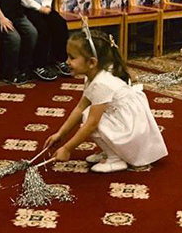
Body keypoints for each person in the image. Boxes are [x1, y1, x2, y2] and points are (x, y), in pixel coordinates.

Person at [45, 27, 166, 173]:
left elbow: (91, 124)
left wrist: (67, 148)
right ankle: (113, 151)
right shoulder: (93, 75)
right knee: (87, 113)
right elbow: (80, 107)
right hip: (123, 119)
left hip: (131, 127)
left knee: (89, 117)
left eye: (72, 57)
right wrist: (60, 134)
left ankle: (115, 158)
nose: (67, 62)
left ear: (92, 62)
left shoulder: (101, 84)